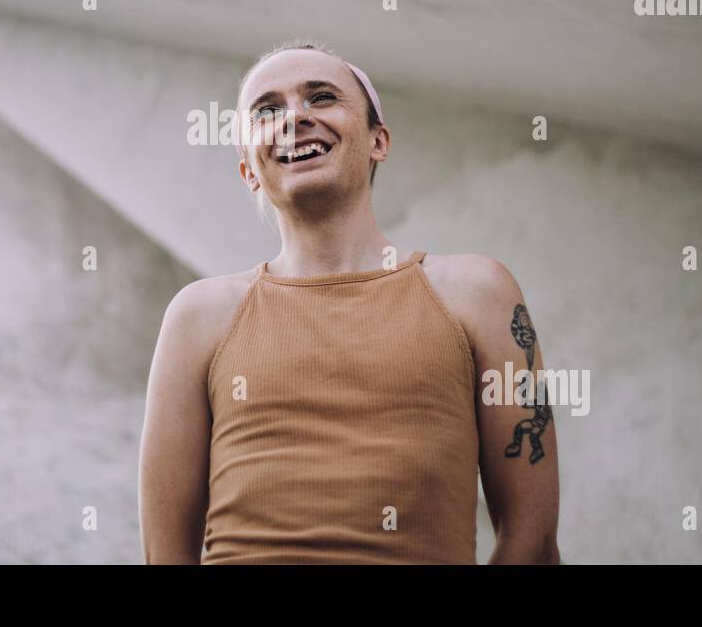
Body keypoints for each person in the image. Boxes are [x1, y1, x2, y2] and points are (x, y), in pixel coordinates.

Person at [139, 40, 561, 564]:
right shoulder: (198, 316)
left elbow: (533, 541)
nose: (294, 117)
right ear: (249, 170)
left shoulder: (477, 293)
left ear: (378, 140)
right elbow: (164, 557)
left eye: (321, 97)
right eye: (267, 110)